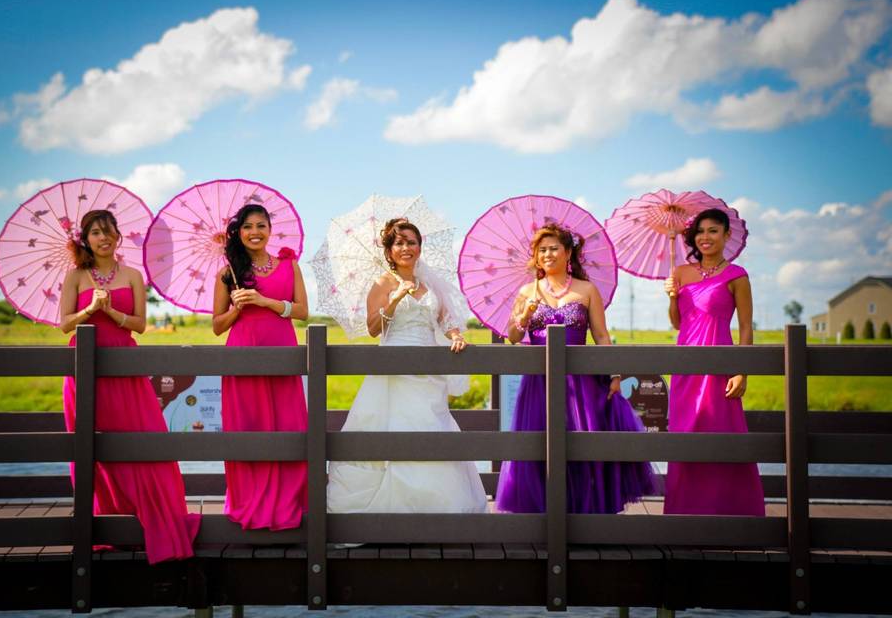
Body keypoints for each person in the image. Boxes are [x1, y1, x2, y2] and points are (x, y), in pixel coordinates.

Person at [60, 209, 199, 563]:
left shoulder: (133, 275)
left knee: (142, 437)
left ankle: (151, 517)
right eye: (94, 233)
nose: (102, 238)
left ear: (118, 236)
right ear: (85, 239)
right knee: (94, 443)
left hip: (125, 363)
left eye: (108, 231)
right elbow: (64, 325)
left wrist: (114, 315)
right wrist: (91, 308)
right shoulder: (75, 277)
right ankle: (104, 521)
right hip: (84, 365)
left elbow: (139, 325)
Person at [327, 218, 488, 514]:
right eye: (399, 243)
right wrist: (393, 300)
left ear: (419, 247)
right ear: (388, 251)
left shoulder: (430, 284)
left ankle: (436, 508)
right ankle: (389, 511)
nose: (406, 248)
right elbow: (374, 328)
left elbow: (444, 319)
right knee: (391, 429)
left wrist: (455, 335)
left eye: (412, 242)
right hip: (393, 369)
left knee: (431, 428)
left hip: (427, 369)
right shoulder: (381, 284)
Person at [496, 222, 657, 514]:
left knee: (581, 441)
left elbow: (601, 335)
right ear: (535, 256)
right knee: (538, 443)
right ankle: (543, 513)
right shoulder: (526, 291)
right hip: (539, 383)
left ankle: (584, 514)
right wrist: (526, 313)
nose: (547, 254)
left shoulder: (587, 290)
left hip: (580, 382)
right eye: (541, 250)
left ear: (568, 252)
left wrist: (615, 375)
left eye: (554, 248)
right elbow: (513, 336)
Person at [663, 208, 765, 515]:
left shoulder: (737, 276)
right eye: (700, 232)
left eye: (713, 231)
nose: (705, 237)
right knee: (685, 434)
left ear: (726, 235)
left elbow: (746, 326)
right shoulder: (680, 272)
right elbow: (677, 324)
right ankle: (684, 513)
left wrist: (741, 371)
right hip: (685, 367)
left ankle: (732, 512)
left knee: (722, 433)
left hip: (720, 364)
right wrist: (671, 297)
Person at [213, 204, 308, 530]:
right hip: (242, 355)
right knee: (249, 428)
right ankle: (248, 501)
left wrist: (266, 302)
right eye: (248, 227)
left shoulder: (289, 265)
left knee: (288, 426)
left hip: (283, 353)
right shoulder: (228, 274)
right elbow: (217, 325)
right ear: (238, 233)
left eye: (261, 225)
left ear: (270, 229)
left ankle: (288, 502)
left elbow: (303, 311)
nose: (255, 232)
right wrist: (237, 309)